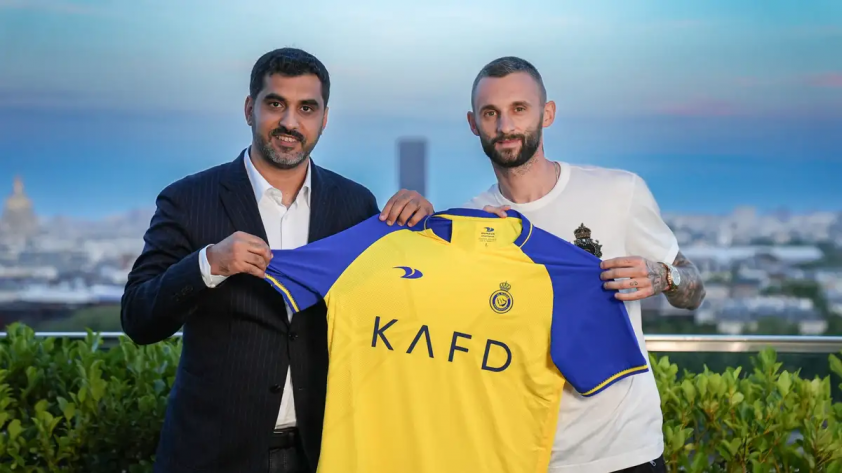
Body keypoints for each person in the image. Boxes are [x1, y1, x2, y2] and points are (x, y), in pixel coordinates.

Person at [120, 47, 433, 473]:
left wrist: (419, 231)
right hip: (212, 456)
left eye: (306, 108)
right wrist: (209, 264)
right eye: (275, 104)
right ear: (250, 109)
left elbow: (395, 311)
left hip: (323, 454)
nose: (290, 122)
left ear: (324, 118)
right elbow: (138, 318)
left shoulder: (355, 206)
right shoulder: (188, 200)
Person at [462, 56, 706, 473]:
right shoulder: (470, 221)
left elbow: (694, 291)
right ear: (473, 124)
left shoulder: (618, 192)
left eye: (519, 109)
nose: (505, 126)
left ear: (547, 113)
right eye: (490, 113)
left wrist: (665, 276)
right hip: (522, 455)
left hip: (624, 450)